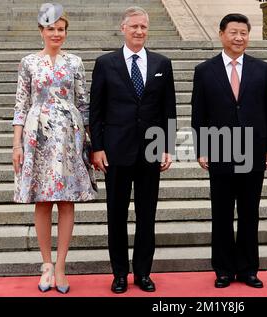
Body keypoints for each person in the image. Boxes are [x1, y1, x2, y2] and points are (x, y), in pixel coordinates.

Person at [89, 6, 176, 293]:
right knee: (116, 214)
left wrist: (168, 146)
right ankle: (119, 274)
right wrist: (97, 147)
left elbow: (169, 110)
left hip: (151, 150)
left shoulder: (162, 63)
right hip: (115, 152)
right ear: (123, 28)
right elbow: (97, 111)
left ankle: (142, 273)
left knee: (147, 215)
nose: (139, 31)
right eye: (134, 26)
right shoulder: (106, 63)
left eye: (143, 27)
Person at [12, 3, 97, 294]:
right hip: (38, 136)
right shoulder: (28, 63)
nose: (56, 34)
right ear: (41, 31)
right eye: (51, 29)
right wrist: (16, 145)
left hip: (71, 135)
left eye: (61, 29)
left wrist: (91, 142)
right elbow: (21, 106)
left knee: (67, 199)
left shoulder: (75, 62)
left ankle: (61, 265)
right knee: (42, 199)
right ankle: (46, 264)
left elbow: (84, 104)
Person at [191, 13, 267, 289]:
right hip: (219, 148)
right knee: (221, 213)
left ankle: (248, 269)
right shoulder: (205, 70)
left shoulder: (261, 68)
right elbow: (199, 113)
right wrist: (201, 148)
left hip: (253, 150)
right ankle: (223, 270)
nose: (239, 37)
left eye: (243, 32)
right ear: (221, 34)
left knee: (249, 212)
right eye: (233, 32)